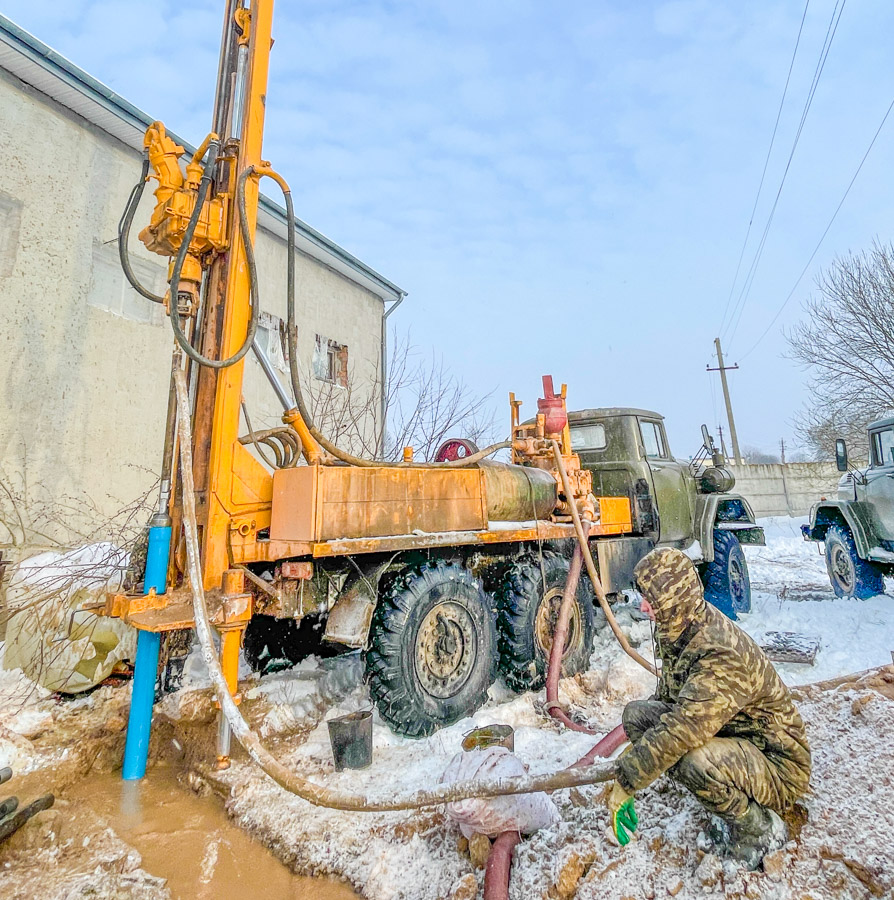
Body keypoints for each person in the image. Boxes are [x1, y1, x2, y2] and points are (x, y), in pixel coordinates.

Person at [606, 547, 811, 869]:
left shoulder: (719, 653)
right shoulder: (683, 624)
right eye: (644, 596)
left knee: (693, 759)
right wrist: (640, 755)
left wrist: (629, 778)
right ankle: (716, 793)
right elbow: (670, 701)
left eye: (652, 599)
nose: (644, 607)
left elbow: (684, 730)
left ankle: (757, 829)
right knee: (638, 716)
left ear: (674, 599)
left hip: (776, 766)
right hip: (731, 737)